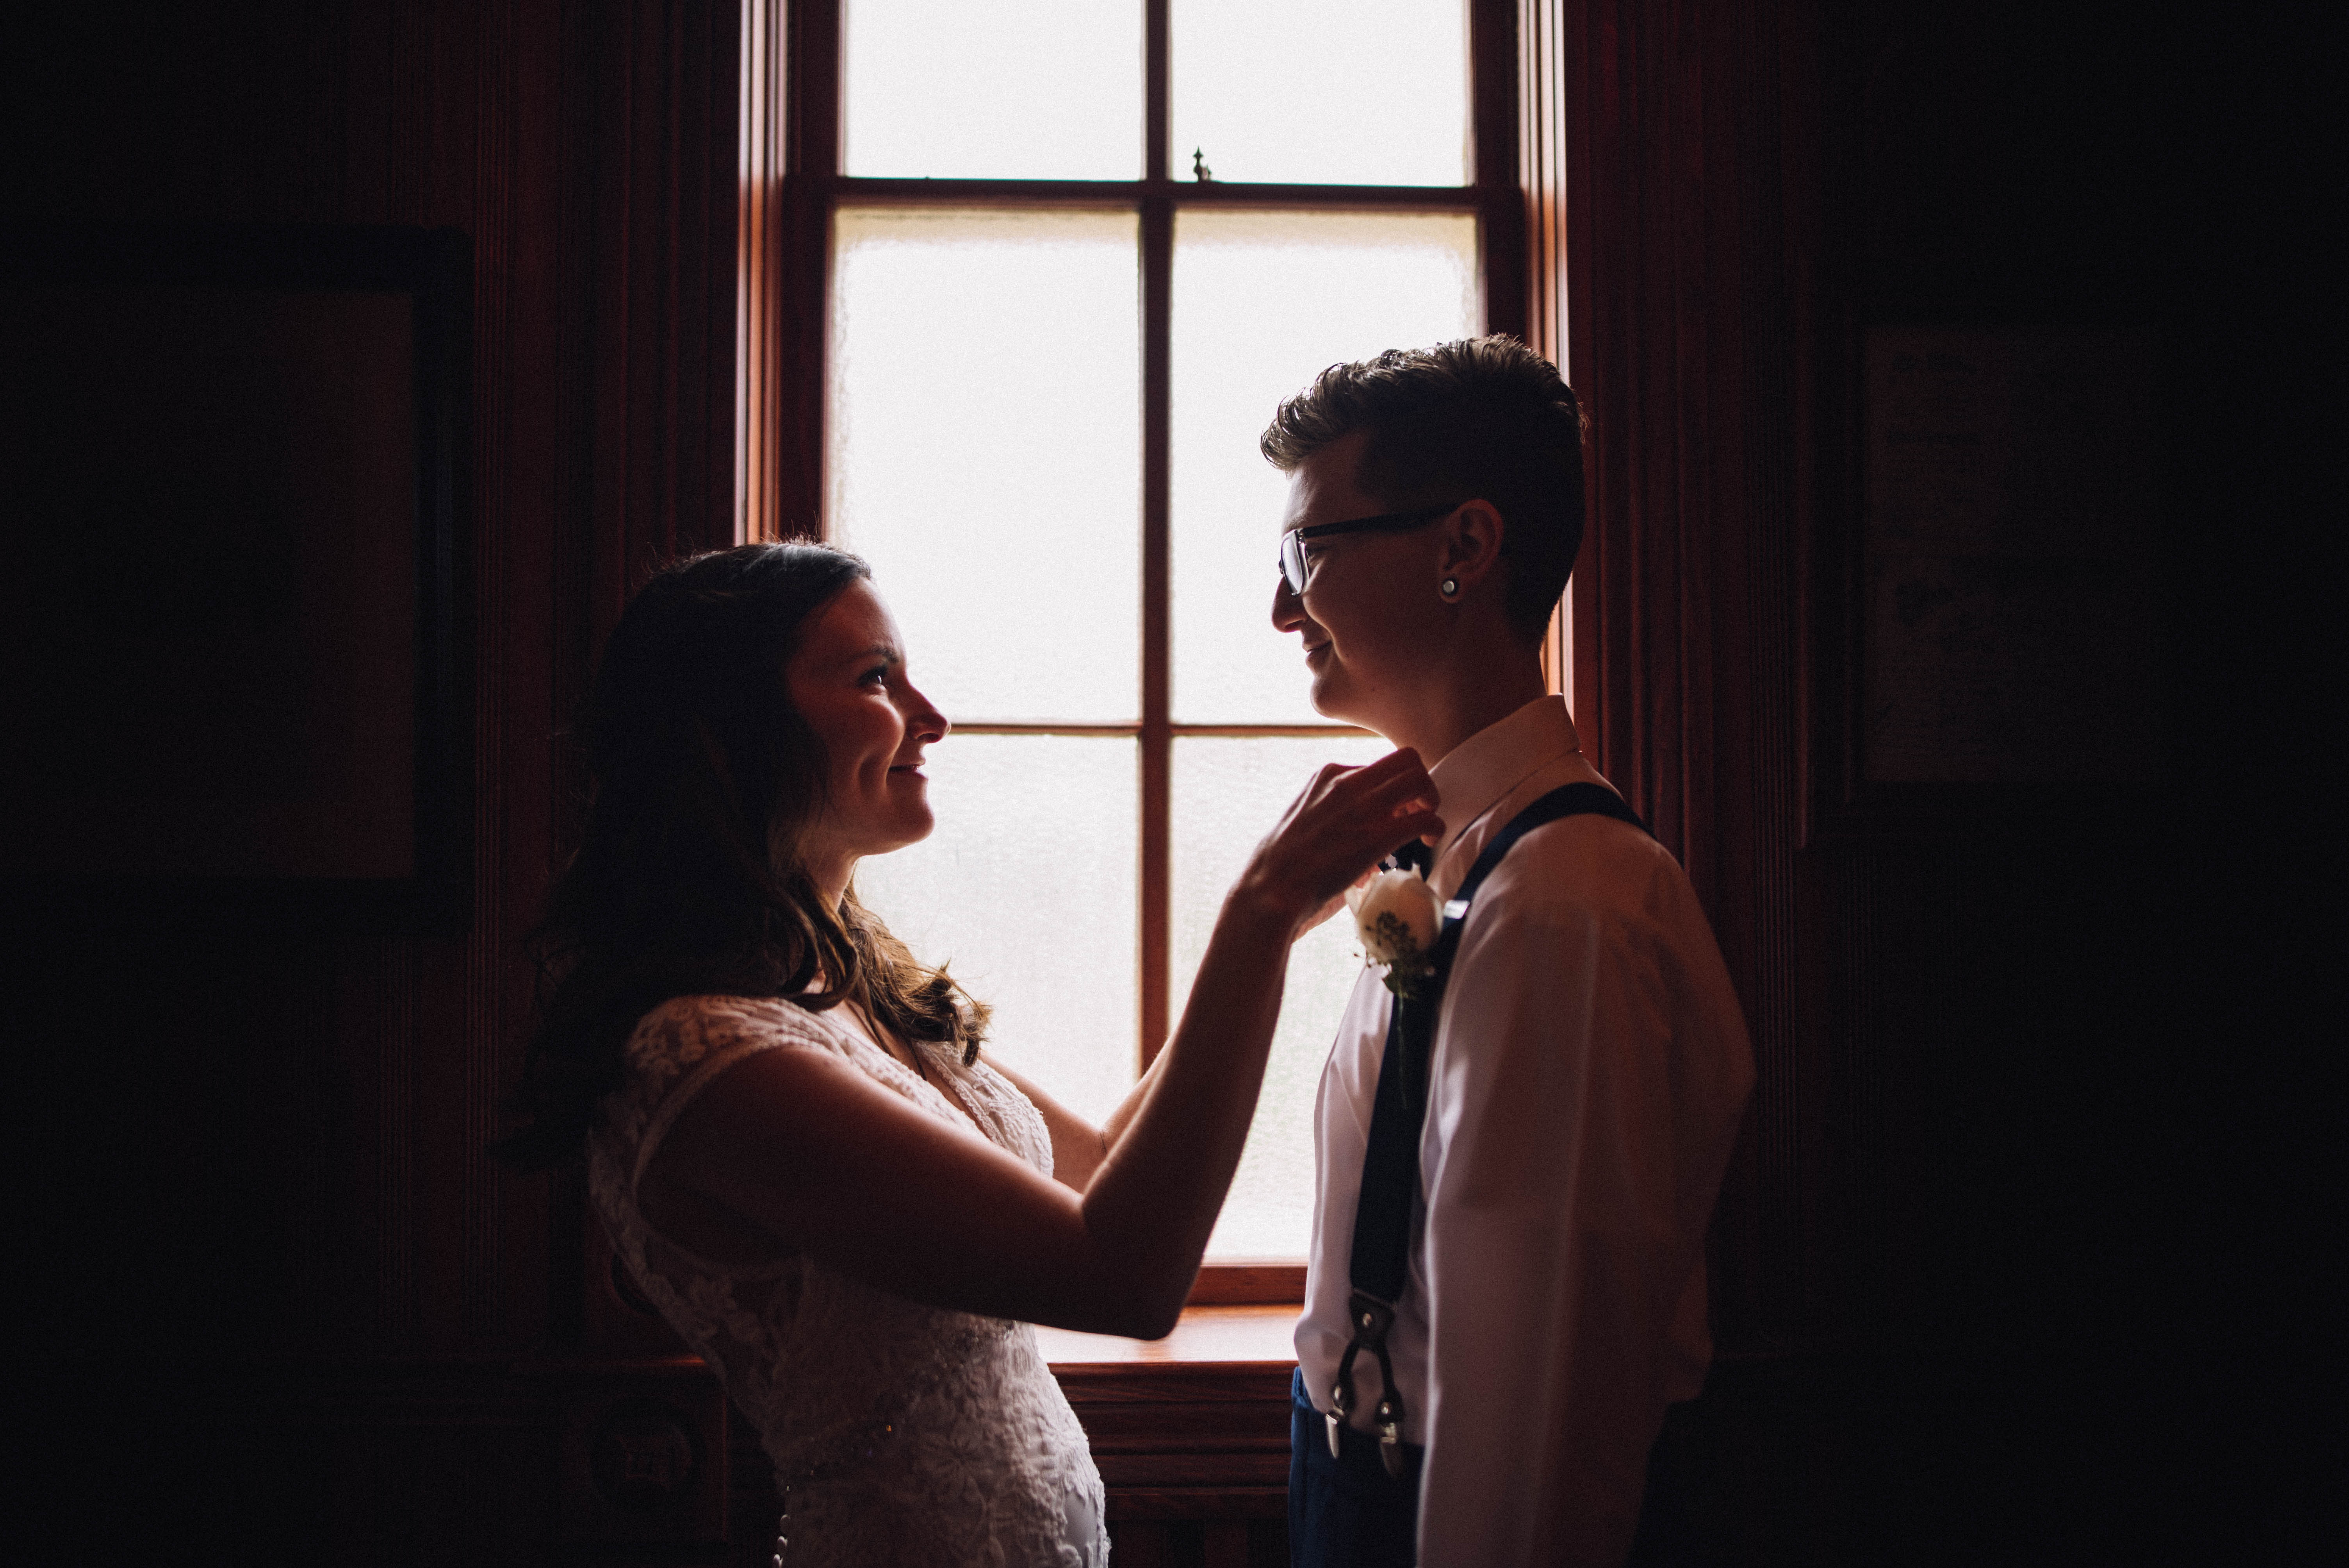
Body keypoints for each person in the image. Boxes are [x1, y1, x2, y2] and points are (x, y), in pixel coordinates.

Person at [497, 542, 1440, 1566]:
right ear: (731, 728)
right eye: (876, 678)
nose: (933, 716)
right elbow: (1126, 1276)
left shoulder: (855, 992)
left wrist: (1281, 930)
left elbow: (1102, 1166)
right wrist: (1255, 916)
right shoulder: (709, 1059)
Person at [1265, 338, 1756, 1566]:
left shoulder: (1559, 908)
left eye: (1308, 553)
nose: (1282, 606)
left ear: (1465, 547)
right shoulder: (1456, 861)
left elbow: (1536, 1422)